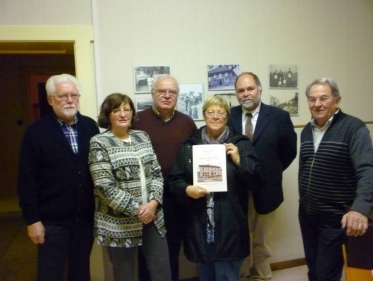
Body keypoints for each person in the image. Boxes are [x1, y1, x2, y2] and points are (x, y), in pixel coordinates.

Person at [169, 96, 265, 281]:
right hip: (199, 226)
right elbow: (175, 180)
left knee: (227, 275)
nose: (215, 117)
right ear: (204, 116)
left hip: (230, 226)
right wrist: (187, 190)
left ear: (227, 117)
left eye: (220, 112)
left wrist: (239, 161)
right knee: (205, 275)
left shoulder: (241, 144)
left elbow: (258, 180)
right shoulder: (189, 146)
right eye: (211, 112)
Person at [17, 73, 100, 281]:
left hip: (84, 218)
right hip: (51, 221)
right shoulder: (36, 132)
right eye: (63, 96)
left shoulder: (90, 127)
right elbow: (26, 179)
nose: (70, 100)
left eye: (74, 95)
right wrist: (32, 220)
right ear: (50, 100)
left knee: (80, 271)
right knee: (50, 272)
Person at [88, 93, 171, 281]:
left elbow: (156, 173)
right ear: (107, 115)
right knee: (124, 274)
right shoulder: (99, 142)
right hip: (118, 223)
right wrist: (138, 210)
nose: (123, 114)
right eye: (116, 110)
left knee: (162, 271)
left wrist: (153, 204)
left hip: (153, 217)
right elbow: (104, 186)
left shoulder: (142, 136)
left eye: (127, 109)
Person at [298, 77, 373, 281]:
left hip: (335, 218)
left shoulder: (353, 128)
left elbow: (368, 170)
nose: (317, 104)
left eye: (324, 98)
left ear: (337, 100)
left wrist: (360, 208)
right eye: (312, 99)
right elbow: (304, 169)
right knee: (313, 270)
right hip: (308, 215)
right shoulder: (306, 130)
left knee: (325, 274)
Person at [228, 72, 297, 281]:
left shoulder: (279, 117)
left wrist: (269, 172)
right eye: (241, 90)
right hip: (237, 189)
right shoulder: (229, 116)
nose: (246, 94)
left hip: (267, 188)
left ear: (259, 89)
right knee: (239, 236)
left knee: (261, 240)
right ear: (236, 94)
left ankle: (261, 276)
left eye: (250, 88)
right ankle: (242, 275)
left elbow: (289, 152)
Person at [133, 74, 197, 281]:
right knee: (147, 254)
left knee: (172, 251)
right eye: (162, 91)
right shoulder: (137, 121)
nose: (167, 96)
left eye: (172, 92)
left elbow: (196, 156)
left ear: (178, 96)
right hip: (147, 200)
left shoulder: (187, 123)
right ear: (152, 93)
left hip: (176, 199)